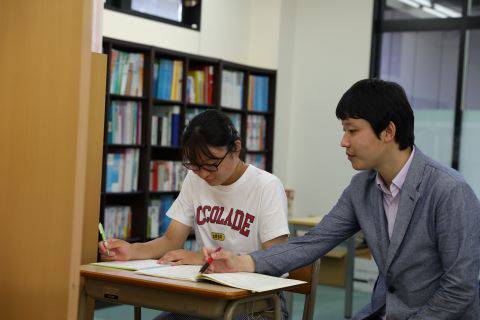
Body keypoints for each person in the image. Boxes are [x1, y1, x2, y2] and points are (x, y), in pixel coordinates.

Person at [204, 79, 480, 320]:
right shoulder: (362, 188)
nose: (343, 142)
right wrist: (244, 263)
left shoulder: (449, 190)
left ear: (388, 132)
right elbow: (313, 242)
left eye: (352, 130)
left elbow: (460, 289)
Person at [98, 109, 290, 318]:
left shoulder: (266, 186)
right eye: (195, 166)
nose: (204, 174)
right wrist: (132, 251)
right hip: (209, 296)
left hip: (259, 303)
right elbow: (171, 240)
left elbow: (276, 259)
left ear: (236, 148)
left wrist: (202, 258)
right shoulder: (195, 179)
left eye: (211, 164)